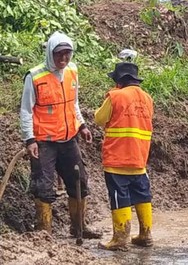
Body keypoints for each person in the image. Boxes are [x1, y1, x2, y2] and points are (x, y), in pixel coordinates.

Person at [19, 32, 101, 239]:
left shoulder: (72, 71)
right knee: (44, 187)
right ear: (50, 53)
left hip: (68, 139)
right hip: (44, 142)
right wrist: (30, 140)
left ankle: (79, 227)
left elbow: (73, 103)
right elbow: (26, 110)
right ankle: (44, 234)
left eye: (67, 54)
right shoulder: (35, 76)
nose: (63, 59)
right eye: (59, 55)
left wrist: (82, 125)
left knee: (79, 182)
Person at [95, 61, 155, 251]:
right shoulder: (148, 99)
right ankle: (145, 234)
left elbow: (99, 118)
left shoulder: (116, 96)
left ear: (119, 81)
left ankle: (120, 238)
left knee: (119, 196)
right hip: (139, 158)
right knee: (142, 195)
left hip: (117, 158)